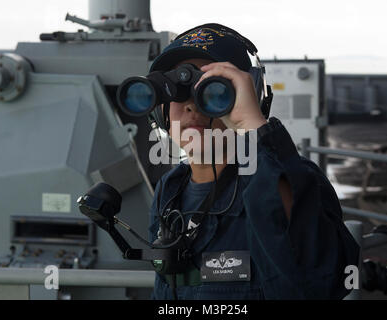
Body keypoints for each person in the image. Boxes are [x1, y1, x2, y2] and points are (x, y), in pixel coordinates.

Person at [147, 23, 360, 300]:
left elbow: (320, 283)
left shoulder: (290, 179)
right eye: (177, 91)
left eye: (212, 91)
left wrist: (254, 127)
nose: (191, 105)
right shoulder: (171, 188)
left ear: (250, 98)